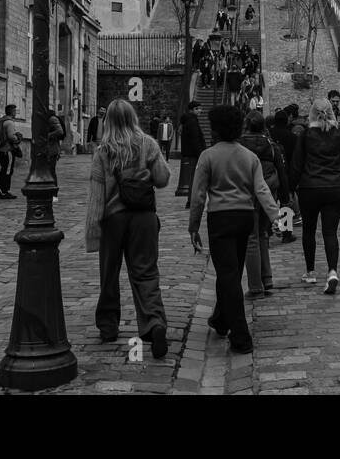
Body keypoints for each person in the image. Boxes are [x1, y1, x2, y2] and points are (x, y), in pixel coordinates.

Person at [189, 105, 285, 354]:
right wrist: (276, 216)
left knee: (228, 274)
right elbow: (262, 190)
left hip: (220, 218)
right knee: (231, 272)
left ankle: (241, 336)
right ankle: (221, 319)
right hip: (245, 217)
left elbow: (198, 196)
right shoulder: (248, 157)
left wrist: (193, 226)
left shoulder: (208, 156)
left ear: (217, 129)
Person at [85, 99, 170, 358]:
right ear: (133, 117)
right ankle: (154, 323)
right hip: (143, 217)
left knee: (109, 274)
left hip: (113, 219)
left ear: (108, 121)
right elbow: (163, 179)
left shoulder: (103, 151)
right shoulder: (148, 144)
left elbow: (97, 197)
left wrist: (93, 232)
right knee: (145, 273)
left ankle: (109, 326)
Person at [290, 97, 340, 292]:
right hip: (334, 187)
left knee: (309, 231)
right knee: (330, 232)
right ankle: (332, 271)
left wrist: (291, 187)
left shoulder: (306, 135)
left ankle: (310, 272)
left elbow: (296, 164)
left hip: (310, 187)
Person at [237, 111, 285, 300]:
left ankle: (256, 286)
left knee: (251, 238)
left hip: (248, 192)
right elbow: (281, 169)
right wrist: (285, 195)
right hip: (268, 192)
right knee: (263, 234)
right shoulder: (270, 144)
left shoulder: (240, 145)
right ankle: (267, 278)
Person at [269, 107, 300, 243]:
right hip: (286, 173)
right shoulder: (292, 137)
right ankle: (286, 232)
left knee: (269, 201)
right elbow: (295, 158)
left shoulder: (269, 134)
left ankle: (267, 231)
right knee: (285, 202)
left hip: (270, 173)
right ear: (286, 121)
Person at [0, 104, 22, 200]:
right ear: (11, 112)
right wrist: (18, 137)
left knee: (4, 169)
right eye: (15, 111)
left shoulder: (0, 121)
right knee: (8, 170)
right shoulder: (9, 122)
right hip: (7, 149)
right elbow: (11, 137)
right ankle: (5, 191)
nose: (16, 113)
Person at [177, 100, 206, 202]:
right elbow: (195, 139)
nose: (200, 111)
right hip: (194, 153)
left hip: (190, 152)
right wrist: (200, 153)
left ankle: (191, 199)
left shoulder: (189, 120)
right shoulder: (192, 121)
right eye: (197, 109)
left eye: (200, 109)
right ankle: (191, 200)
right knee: (194, 178)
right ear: (192, 110)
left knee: (193, 177)